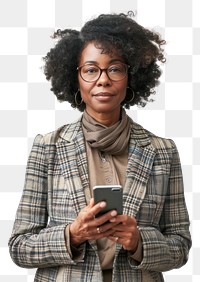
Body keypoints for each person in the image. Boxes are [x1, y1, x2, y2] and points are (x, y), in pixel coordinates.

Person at [9, 12, 191, 282]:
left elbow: (180, 246)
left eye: (115, 68)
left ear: (131, 77)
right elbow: (20, 247)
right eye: (91, 70)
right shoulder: (48, 147)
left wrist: (139, 241)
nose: (103, 80)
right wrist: (73, 234)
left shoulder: (162, 151)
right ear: (76, 79)